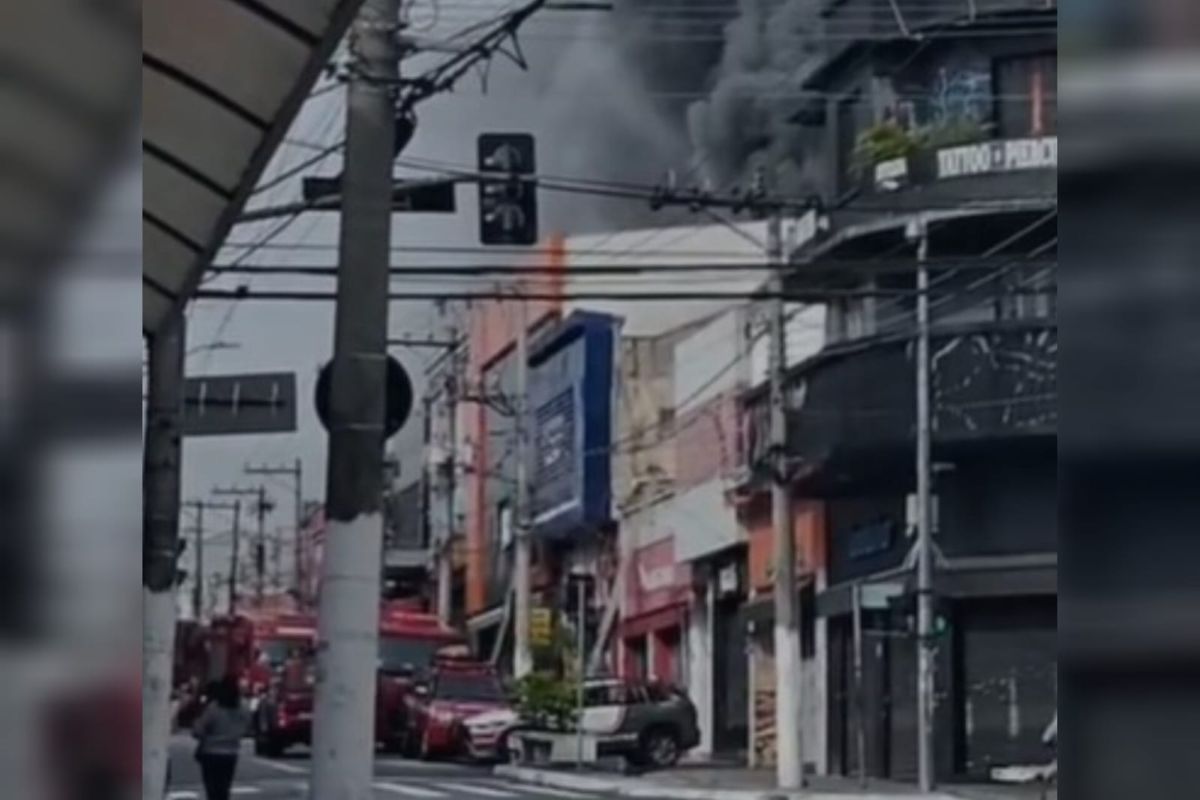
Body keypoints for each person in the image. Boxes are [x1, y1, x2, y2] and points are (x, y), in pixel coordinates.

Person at [192, 676, 250, 800]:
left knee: (212, 789)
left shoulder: (215, 707)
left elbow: (198, 730)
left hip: (211, 752)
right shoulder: (243, 706)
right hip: (231, 752)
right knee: (224, 788)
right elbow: (247, 726)